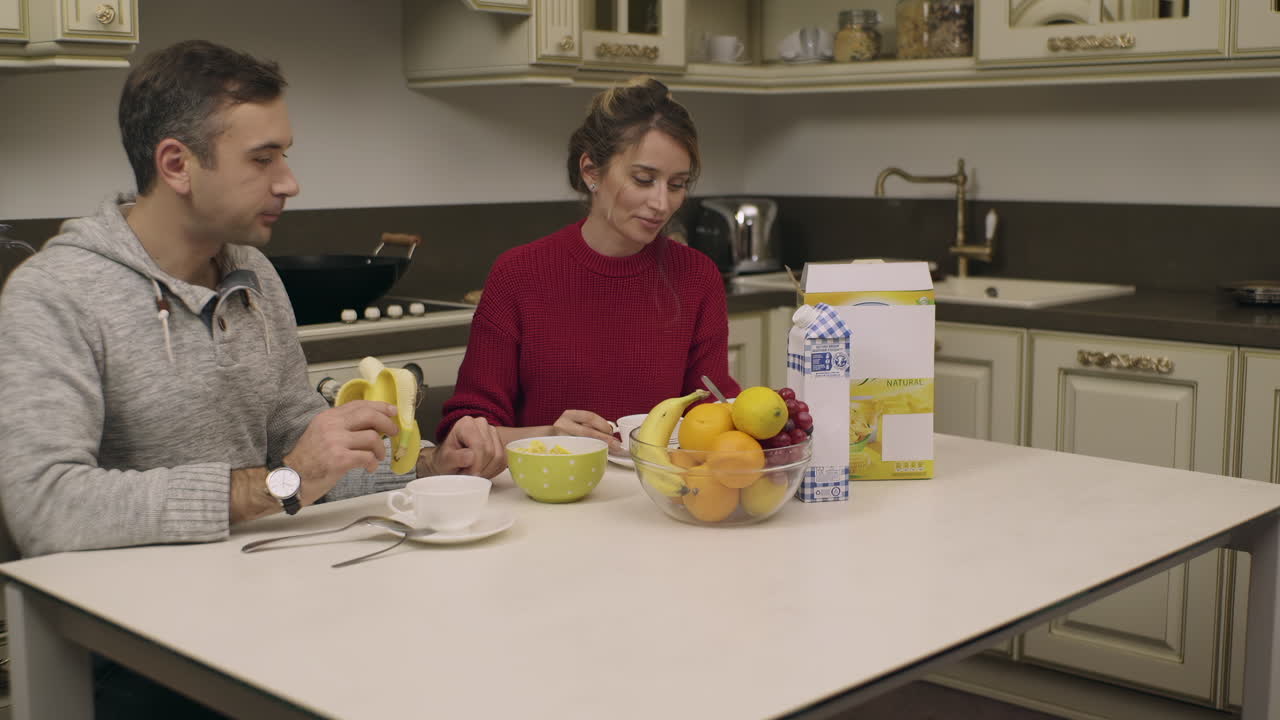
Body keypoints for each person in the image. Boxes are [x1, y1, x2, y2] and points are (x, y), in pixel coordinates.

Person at [0, 39, 506, 562]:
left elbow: (303, 452)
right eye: (262, 160)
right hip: (128, 622)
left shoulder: (251, 272)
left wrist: (425, 468)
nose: (289, 182)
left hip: (257, 580)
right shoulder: (53, 294)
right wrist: (275, 486)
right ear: (177, 164)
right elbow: (43, 508)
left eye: (284, 156)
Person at [437, 77, 741, 449]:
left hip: (658, 499)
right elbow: (467, 434)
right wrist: (550, 436)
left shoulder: (697, 277)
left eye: (677, 184)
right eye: (643, 179)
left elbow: (714, 410)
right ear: (591, 172)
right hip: (543, 499)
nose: (661, 203)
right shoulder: (518, 275)